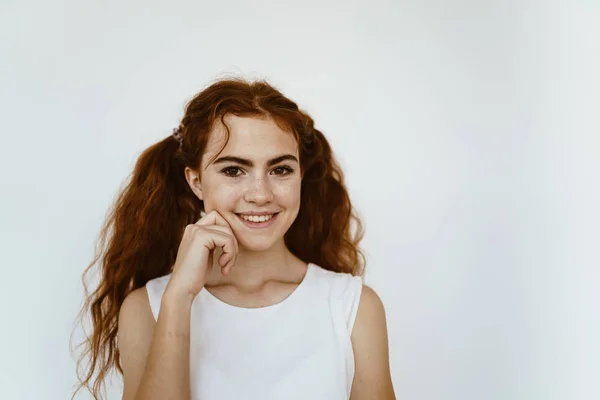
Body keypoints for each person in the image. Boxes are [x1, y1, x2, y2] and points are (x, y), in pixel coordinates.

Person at [71, 78, 396, 400]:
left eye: (280, 170)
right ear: (196, 181)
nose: (260, 194)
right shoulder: (148, 308)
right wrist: (179, 297)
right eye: (233, 170)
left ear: (301, 176)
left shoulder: (352, 308)